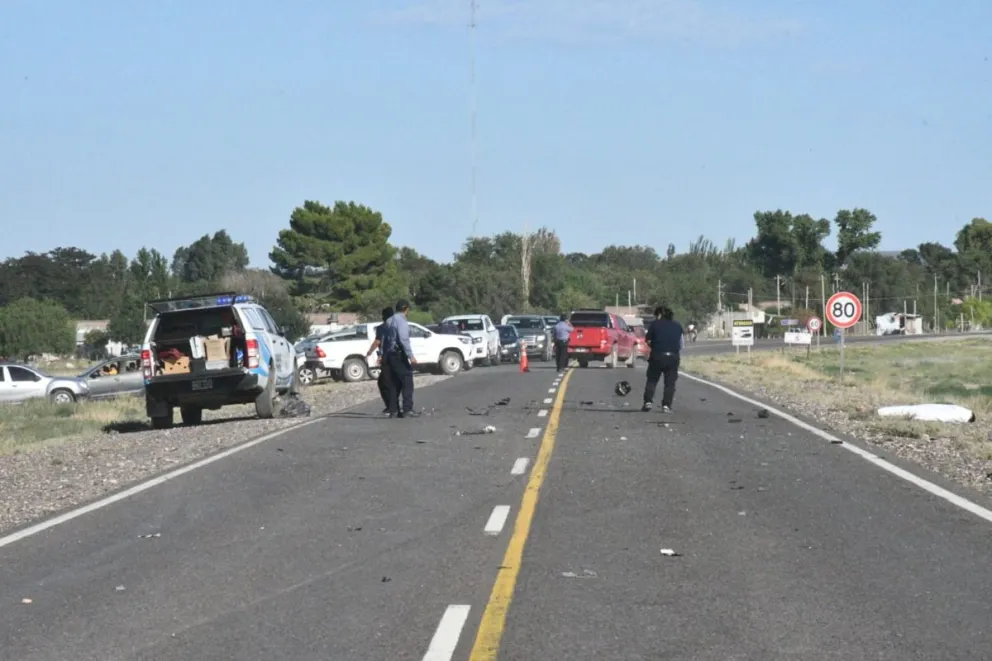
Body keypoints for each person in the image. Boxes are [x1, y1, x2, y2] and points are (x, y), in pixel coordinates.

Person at [380, 299, 420, 418]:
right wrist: (411, 356)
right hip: (399, 354)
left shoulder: (389, 320)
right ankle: (407, 408)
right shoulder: (401, 320)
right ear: (406, 309)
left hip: (390, 355)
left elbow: (385, 340)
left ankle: (394, 409)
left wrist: (384, 356)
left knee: (394, 383)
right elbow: (404, 339)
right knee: (407, 379)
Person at [642, 305, 684, 413]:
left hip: (657, 356)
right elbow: (681, 345)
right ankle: (666, 405)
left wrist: (655, 346)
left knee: (652, 379)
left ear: (659, 314)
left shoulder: (654, 325)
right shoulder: (678, 325)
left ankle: (648, 402)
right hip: (673, 357)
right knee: (670, 383)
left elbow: (648, 340)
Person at [366, 306, 394, 413]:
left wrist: (369, 352)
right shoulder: (397, 326)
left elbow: (378, 342)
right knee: (390, 382)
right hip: (395, 357)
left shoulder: (382, 328)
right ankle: (393, 405)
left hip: (387, 358)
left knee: (385, 383)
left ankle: (391, 406)